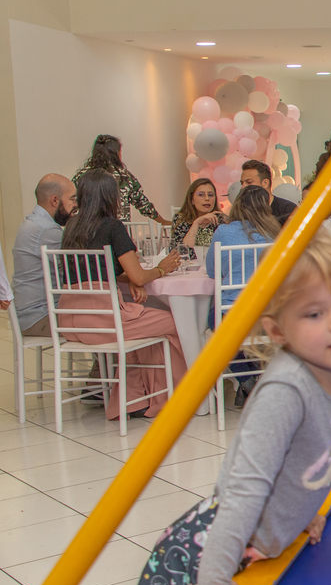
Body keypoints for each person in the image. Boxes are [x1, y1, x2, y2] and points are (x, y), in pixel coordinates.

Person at [124, 232, 331, 585]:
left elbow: (314, 454)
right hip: (217, 550)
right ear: (277, 330)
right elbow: (245, 490)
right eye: (313, 314)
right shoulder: (285, 391)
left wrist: (301, 512)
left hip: (260, 540)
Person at [57, 170, 185, 421]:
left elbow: (94, 272)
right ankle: (172, 395)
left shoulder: (71, 226)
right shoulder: (112, 227)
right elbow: (139, 276)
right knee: (172, 321)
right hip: (103, 319)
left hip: (70, 317)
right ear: (111, 197)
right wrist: (162, 269)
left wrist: (128, 278)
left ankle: (134, 397)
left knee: (142, 329)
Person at [206, 185, 281, 406]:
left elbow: (212, 271)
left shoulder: (223, 232)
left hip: (233, 313)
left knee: (216, 322)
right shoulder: (275, 234)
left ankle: (248, 380)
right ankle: (255, 381)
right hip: (269, 314)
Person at [12, 174, 76, 335]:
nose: (75, 206)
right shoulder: (46, 229)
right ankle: (112, 361)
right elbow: (77, 268)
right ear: (55, 200)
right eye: (72, 200)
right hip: (41, 316)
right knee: (106, 319)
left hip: (26, 315)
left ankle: (102, 361)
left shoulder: (31, 222)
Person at [73, 135, 169, 225]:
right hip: (119, 230)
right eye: (120, 151)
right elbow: (142, 203)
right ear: (116, 154)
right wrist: (162, 221)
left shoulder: (82, 175)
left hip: (88, 230)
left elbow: (71, 200)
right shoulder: (124, 177)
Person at [170, 178, 227, 260]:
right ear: (192, 200)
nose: (207, 198)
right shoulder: (181, 219)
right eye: (201, 195)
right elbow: (181, 253)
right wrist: (196, 224)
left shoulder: (222, 219)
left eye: (211, 195)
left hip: (215, 267)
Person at [240, 160, 296, 224]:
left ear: (265, 183)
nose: (243, 187)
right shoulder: (243, 210)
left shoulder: (288, 209)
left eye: (249, 182)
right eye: (242, 183)